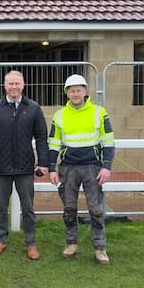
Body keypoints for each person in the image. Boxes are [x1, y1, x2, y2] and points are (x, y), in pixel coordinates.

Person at [48, 74, 115, 265]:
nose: (75, 93)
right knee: (69, 208)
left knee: (96, 209)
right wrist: (52, 168)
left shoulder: (99, 112)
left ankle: (100, 248)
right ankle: (71, 244)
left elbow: (108, 141)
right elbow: (53, 143)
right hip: (68, 168)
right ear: (66, 93)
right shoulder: (59, 115)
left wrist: (106, 167)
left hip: (92, 168)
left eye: (78, 90)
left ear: (85, 91)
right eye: (71, 90)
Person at [0, 70, 49, 260]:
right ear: (5, 86)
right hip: (1, 168)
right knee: (1, 207)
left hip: (25, 168)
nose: (14, 87)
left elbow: (42, 137)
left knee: (28, 208)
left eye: (17, 83)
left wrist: (43, 163)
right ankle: (1, 239)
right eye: (10, 83)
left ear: (23, 85)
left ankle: (31, 243)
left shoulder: (33, 108)